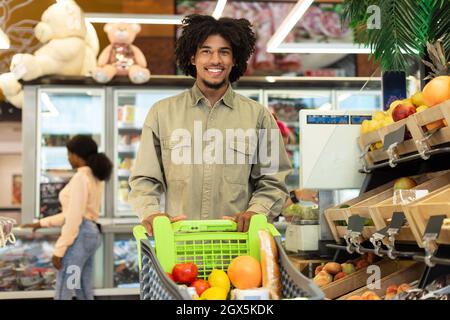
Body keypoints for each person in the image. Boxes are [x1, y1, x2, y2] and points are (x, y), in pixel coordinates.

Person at [129, 14, 292, 235]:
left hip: (239, 248)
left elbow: (273, 179)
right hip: (179, 246)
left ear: (235, 59)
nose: (215, 60)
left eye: (224, 52)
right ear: (193, 58)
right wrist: (150, 212)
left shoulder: (259, 116)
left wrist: (257, 211)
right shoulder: (161, 113)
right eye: (206, 51)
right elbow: (144, 178)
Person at [21, 135, 112, 300]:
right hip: (90, 234)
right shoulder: (94, 176)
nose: (68, 157)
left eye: (69, 153)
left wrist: (59, 250)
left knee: (66, 285)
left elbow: (74, 219)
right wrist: (41, 223)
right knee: (81, 285)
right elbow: (72, 214)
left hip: (81, 234)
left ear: (77, 155)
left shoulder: (80, 178)